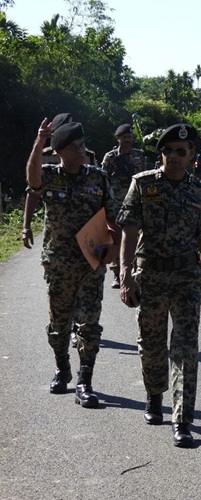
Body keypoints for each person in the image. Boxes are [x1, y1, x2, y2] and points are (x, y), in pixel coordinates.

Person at [117, 123, 201, 448]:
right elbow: (129, 230)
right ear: (161, 153)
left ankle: (182, 418)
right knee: (151, 345)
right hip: (151, 278)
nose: (173, 156)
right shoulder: (143, 184)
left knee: (185, 350)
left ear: (191, 155)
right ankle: (154, 394)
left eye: (180, 151)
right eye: (168, 151)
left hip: (187, 279)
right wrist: (125, 273)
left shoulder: (200, 191)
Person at [25, 117, 119, 408]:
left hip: (91, 264)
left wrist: (114, 247)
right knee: (59, 325)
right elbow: (32, 181)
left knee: (89, 324)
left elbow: (113, 216)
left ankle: (84, 381)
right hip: (59, 265)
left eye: (82, 145)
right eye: (74, 147)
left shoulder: (98, 178)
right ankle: (62, 368)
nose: (81, 150)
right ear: (60, 151)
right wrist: (39, 142)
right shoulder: (49, 175)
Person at [22, 112, 98, 349]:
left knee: (86, 306)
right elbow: (33, 190)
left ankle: (79, 330)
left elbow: (98, 193)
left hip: (88, 245)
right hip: (59, 249)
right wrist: (26, 225)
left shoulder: (89, 156)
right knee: (62, 303)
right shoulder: (46, 157)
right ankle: (66, 335)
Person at [101, 123, 147, 288]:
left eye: (129, 137)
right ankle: (117, 273)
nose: (127, 140)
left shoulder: (139, 155)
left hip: (136, 202)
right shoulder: (110, 157)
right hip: (117, 203)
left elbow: (145, 177)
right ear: (118, 139)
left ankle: (133, 270)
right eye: (124, 137)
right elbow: (103, 179)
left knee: (136, 236)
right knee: (118, 237)